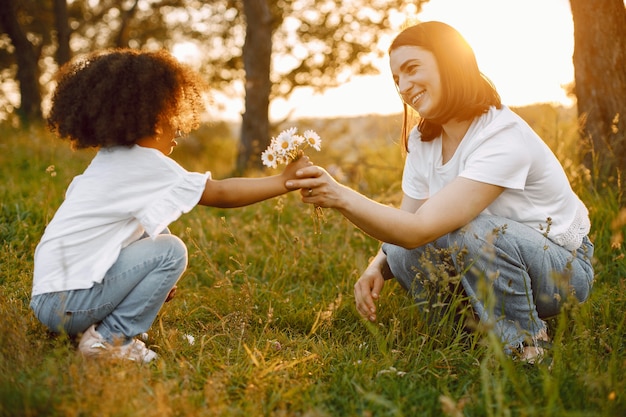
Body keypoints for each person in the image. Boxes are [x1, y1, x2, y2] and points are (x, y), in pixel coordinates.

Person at [286, 21, 594, 363]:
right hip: (486, 261)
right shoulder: (424, 139)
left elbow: (419, 229)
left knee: (475, 231)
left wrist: (339, 195)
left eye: (412, 69)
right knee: (400, 253)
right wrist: (377, 266)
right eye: (396, 79)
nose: (403, 86)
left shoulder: (501, 136)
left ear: (450, 61)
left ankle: (526, 348)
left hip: (559, 273)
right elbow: (407, 222)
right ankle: (461, 341)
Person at [31, 49, 311, 363]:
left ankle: (91, 329)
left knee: (157, 237)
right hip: (70, 301)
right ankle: (111, 340)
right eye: (172, 119)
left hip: (49, 300)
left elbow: (139, 231)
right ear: (150, 119)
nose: (177, 131)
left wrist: (152, 281)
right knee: (170, 250)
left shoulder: (104, 165)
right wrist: (283, 181)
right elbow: (220, 194)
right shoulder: (144, 162)